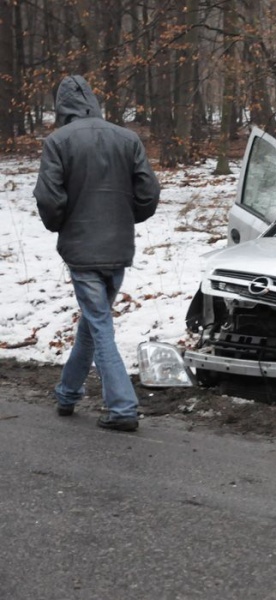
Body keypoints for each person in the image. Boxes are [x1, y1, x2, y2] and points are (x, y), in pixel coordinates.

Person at [33, 75, 160, 432]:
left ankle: (122, 407)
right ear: (93, 100)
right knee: (93, 321)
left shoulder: (57, 141)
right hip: (118, 247)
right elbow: (148, 193)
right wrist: (126, 217)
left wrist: (62, 223)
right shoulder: (127, 138)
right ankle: (67, 393)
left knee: (99, 325)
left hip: (82, 248)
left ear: (62, 108)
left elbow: (48, 198)